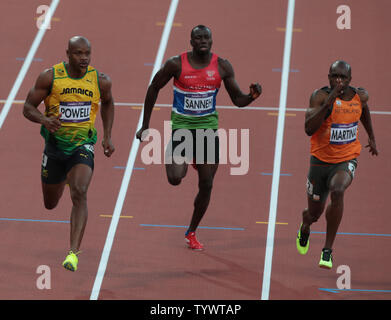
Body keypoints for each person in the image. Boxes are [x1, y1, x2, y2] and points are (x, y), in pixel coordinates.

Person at [136, 25, 262, 250]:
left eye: (207, 37)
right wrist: (145, 125)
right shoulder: (176, 64)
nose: (203, 41)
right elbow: (154, 87)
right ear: (191, 41)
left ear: (212, 41)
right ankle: (183, 156)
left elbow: (238, 100)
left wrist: (251, 96)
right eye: (198, 38)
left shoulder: (222, 66)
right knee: (175, 178)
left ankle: (191, 231)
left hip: (207, 131)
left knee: (207, 184)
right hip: (182, 129)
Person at [23, 36, 115, 271]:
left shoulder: (100, 80)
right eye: (78, 53)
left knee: (80, 191)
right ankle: (63, 176)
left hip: (82, 146)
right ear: (68, 53)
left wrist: (107, 135)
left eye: (87, 53)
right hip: (54, 148)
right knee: (50, 204)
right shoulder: (50, 77)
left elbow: (108, 102)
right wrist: (44, 119)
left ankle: (73, 252)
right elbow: (27, 107)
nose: (83, 58)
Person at [296, 60, 378, 269]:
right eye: (335, 76)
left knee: (338, 189)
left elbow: (364, 109)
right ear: (329, 77)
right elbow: (308, 129)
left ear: (350, 80)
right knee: (314, 213)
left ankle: (327, 250)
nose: (339, 80)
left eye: (343, 77)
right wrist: (329, 102)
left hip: (345, 159)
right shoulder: (320, 96)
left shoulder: (360, 96)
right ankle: (305, 226)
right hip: (320, 162)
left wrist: (371, 136)